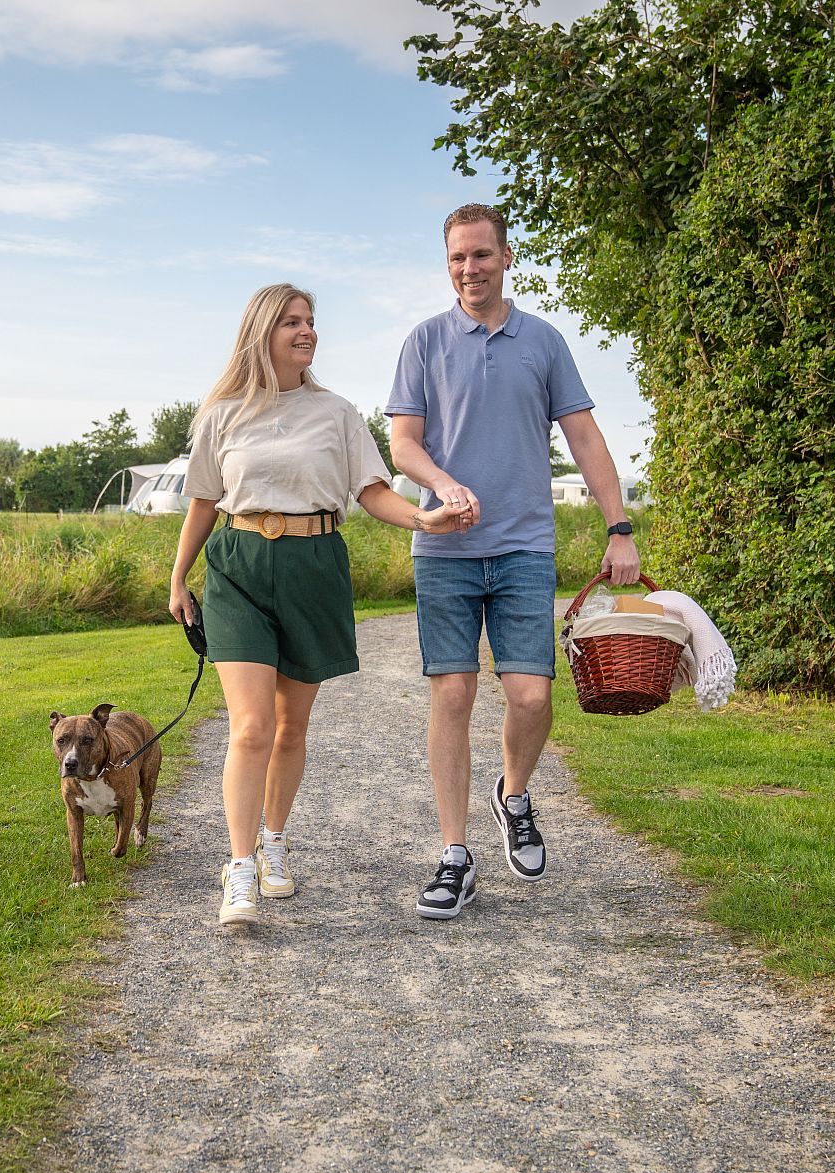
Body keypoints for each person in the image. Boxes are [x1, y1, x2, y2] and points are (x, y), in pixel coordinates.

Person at [169, 283, 475, 926]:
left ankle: (275, 841)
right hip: (239, 568)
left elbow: (371, 491)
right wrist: (178, 578)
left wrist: (425, 522)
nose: (306, 332)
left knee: (290, 727)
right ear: (262, 332)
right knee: (249, 727)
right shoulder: (223, 413)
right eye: (290, 322)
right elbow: (203, 501)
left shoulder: (337, 413)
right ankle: (241, 867)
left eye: (310, 322)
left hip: (315, 566)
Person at [385, 203, 641, 920]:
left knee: (531, 696)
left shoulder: (545, 342)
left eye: (481, 256)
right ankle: (454, 857)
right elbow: (404, 445)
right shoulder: (425, 342)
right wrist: (442, 485)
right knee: (454, 696)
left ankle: (514, 795)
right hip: (445, 549)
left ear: (505, 257)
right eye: (457, 259)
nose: (469, 270)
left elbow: (586, 441)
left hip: (526, 546)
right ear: (448, 266)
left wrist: (618, 527)